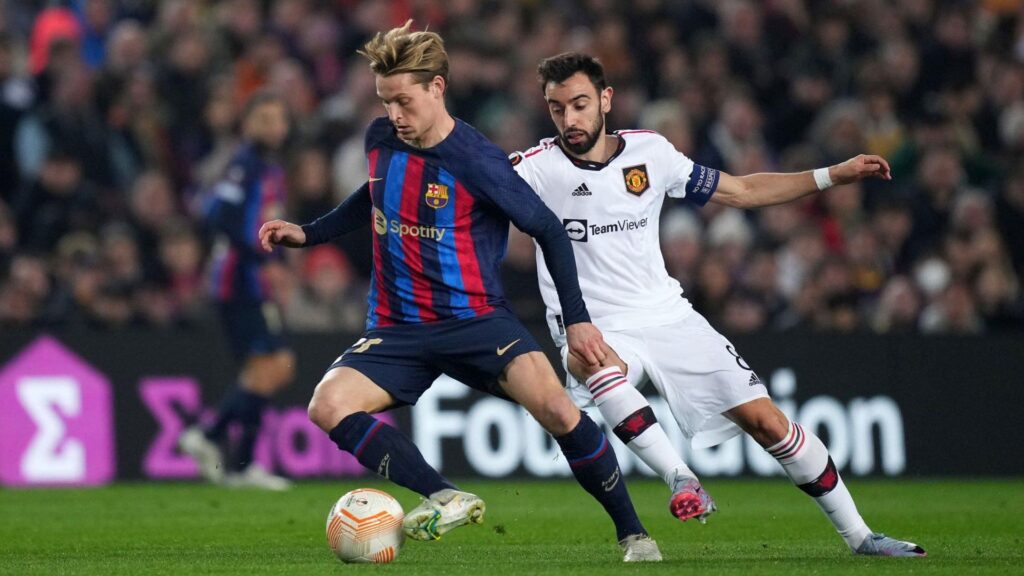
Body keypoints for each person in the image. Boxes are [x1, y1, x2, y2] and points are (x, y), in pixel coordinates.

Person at [258, 23, 660, 561]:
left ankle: (635, 534)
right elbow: (372, 196)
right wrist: (309, 233)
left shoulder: (478, 160)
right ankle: (445, 495)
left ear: (437, 88)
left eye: (404, 100)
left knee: (560, 413)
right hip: (398, 326)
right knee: (327, 405)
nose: (394, 114)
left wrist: (579, 318)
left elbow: (549, 230)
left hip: (476, 321)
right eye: (385, 101)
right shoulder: (379, 138)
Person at [511, 52, 926, 558]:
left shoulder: (653, 154)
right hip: (594, 324)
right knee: (591, 358)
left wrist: (830, 176)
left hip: (669, 316)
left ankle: (862, 536)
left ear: (605, 99)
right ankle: (681, 479)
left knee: (768, 422)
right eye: (557, 109)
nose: (569, 120)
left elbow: (744, 190)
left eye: (579, 104)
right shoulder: (533, 169)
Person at [179, 91, 295, 491]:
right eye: (263, 119)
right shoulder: (244, 166)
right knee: (273, 364)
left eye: (277, 119)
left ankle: (239, 461)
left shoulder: (268, 167)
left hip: (253, 280)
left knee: (266, 369)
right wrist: (264, 262)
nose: (272, 127)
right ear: (247, 124)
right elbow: (220, 217)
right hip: (238, 281)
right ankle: (213, 440)